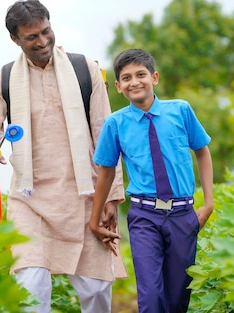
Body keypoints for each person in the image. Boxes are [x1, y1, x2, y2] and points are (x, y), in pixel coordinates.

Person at [0, 0, 126, 313]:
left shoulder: (87, 71)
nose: (42, 41)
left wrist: (111, 195)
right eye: (32, 37)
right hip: (30, 200)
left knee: (96, 289)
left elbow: (107, 137)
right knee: (30, 287)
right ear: (15, 39)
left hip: (86, 198)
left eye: (46, 31)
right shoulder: (1, 80)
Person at [89, 48, 214, 313]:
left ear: (154, 77)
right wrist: (94, 216)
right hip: (144, 215)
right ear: (119, 87)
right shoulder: (115, 123)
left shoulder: (181, 111)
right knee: (150, 295)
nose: (134, 81)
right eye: (126, 78)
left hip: (182, 214)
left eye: (140, 74)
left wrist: (209, 203)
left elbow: (202, 151)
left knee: (178, 296)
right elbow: (107, 172)